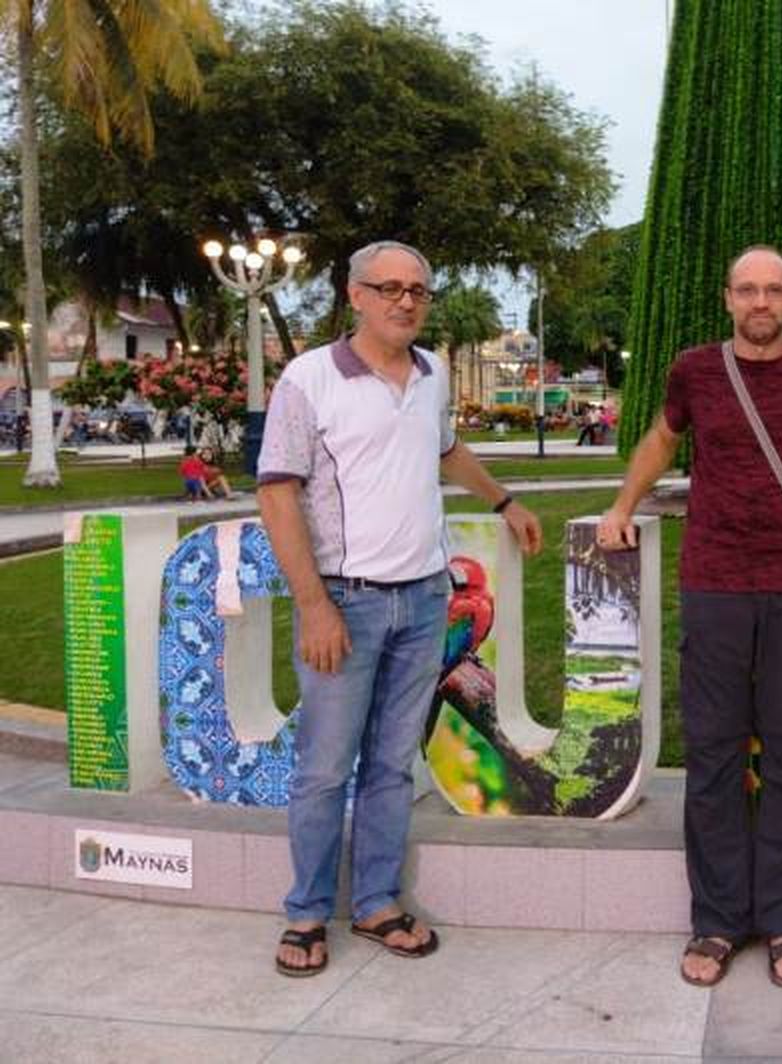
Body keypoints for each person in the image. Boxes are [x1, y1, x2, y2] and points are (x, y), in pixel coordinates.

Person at [597, 245, 782, 989]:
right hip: (715, 583)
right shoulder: (695, 370)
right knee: (714, 755)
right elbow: (662, 438)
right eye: (747, 290)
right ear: (728, 299)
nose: (760, 302)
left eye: (773, 290)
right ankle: (717, 920)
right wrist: (622, 504)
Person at [257, 240, 542, 978]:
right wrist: (314, 604)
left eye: (418, 289)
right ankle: (306, 912)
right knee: (325, 767)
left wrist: (504, 501)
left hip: (423, 600)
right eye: (389, 288)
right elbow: (277, 493)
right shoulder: (310, 378)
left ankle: (377, 902)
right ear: (355, 295)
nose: (406, 300)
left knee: (390, 763)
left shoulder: (432, 373)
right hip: (343, 602)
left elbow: (446, 450)